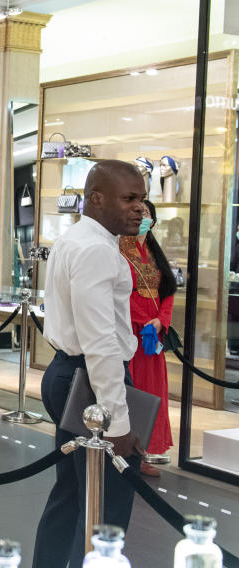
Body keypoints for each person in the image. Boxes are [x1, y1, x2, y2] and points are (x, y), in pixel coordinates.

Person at [30, 160, 145, 568]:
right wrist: (116, 425)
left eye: (141, 198)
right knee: (103, 509)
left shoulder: (77, 239)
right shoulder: (96, 249)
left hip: (70, 374)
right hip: (91, 382)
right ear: (96, 198)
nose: (139, 208)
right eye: (129, 198)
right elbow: (101, 343)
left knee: (71, 497)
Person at [119, 199, 176, 476]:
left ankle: (144, 453)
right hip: (130, 336)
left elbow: (168, 292)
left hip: (152, 339)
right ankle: (128, 453)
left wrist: (160, 321)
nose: (143, 217)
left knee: (152, 395)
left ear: (153, 220)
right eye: (138, 212)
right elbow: (119, 293)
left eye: (147, 213)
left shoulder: (154, 252)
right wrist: (143, 322)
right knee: (132, 393)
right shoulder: (119, 249)